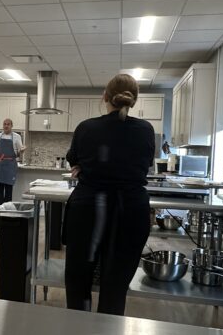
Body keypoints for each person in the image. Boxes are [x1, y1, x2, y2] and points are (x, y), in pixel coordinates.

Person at [63, 74, 155, 315]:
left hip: (89, 210)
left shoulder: (86, 127)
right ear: (134, 99)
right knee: (115, 287)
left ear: (105, 96)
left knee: (78, 283)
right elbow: (145, 163)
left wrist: (85, 165)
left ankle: (77, 332)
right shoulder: (146, 130)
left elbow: (73, 158)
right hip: (130, 211)